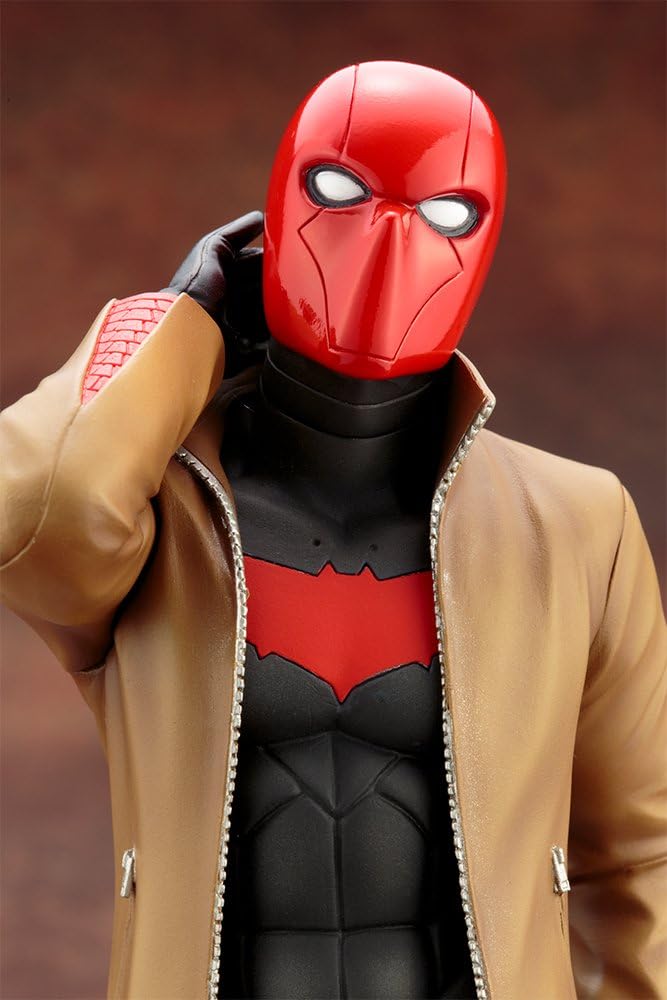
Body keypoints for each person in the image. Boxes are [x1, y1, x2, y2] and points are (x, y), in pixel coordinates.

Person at [1, 61, 665, 1000]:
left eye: (445, 211)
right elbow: (32, 517)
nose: (390, 245)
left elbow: (638, 863)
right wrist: (176, 323)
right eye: (342, 191)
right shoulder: (158, 516)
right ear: (275, 214)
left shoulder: (574, 525)